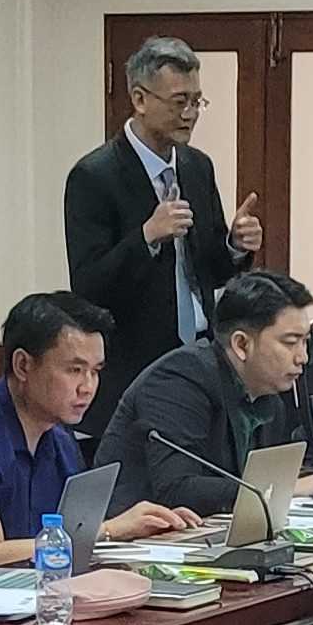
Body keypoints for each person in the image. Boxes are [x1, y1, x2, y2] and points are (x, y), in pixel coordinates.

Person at [0, 290, 182, 569]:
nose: (88, 387)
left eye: (95, 371)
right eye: (74, 370)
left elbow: (71, 539)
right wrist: (111, 529)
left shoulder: (60, 437)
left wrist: (148, 531)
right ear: (23, 365)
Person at [66, 36, 264, 430]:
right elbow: (87, 287)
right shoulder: (94, 176)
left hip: (203, 356)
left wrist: (235, 246)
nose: (190, 114)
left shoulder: (197, 166)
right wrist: (146, 238)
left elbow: (209, 268)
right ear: (140, 99)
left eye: (197, 101)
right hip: (134, 367)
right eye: (179, 102)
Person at [96, 273, 313, 521]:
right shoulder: (180, 379)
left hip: (210, 532)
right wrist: (280, 489)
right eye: (290, 343)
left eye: (305, 342)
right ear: (242, 345)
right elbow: (176, 489)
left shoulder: (270, 394)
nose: (303, 357)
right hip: (130, 537)